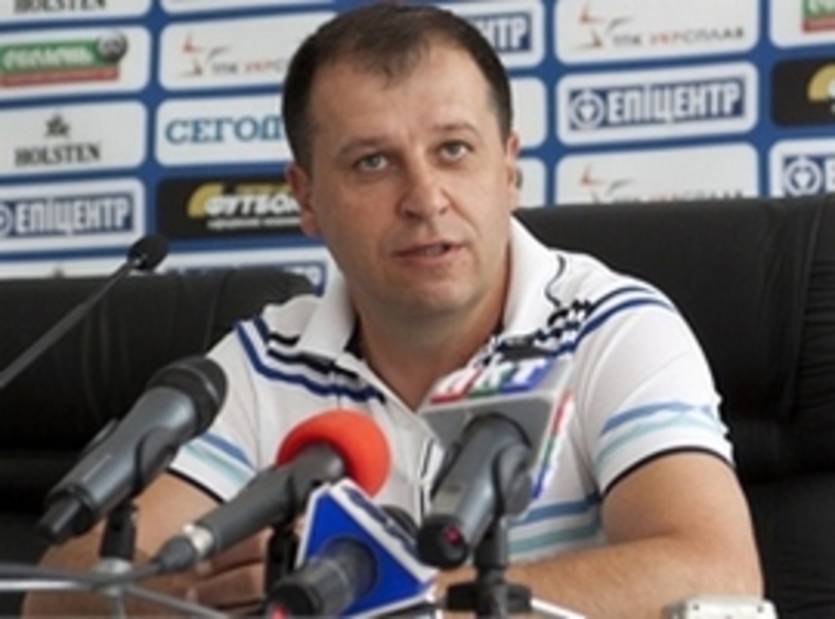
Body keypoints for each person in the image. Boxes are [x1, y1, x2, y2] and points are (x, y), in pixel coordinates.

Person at [23, 4, 762, 617]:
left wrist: (374, 596)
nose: (424, 198)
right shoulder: (261, 362)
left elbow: (714, 571)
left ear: (508, 168)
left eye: (453, 150)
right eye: (372, 162)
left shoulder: (613, 328)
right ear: (306, 198)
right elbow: (59, 595)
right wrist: (181, 593)